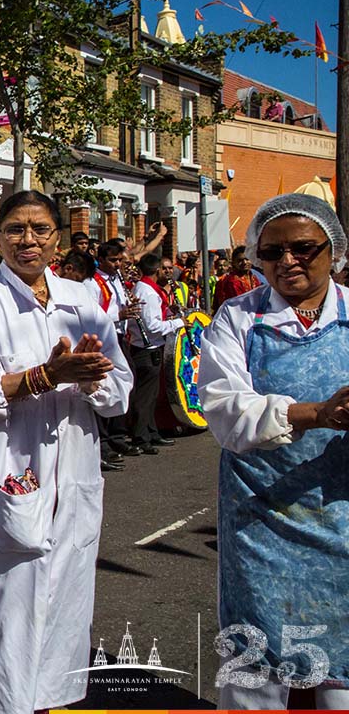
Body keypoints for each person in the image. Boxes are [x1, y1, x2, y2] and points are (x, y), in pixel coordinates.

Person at [0, 190, 132, 714]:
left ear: (57, 237)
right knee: (4, 605)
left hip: (73, 472)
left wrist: (91, 376)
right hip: (6, 467)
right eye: (16, 230)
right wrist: (47, 375)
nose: (29, 240)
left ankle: (48, 704)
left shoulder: (82, 301)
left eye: (41, 229)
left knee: (66, 600)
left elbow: (120, 393)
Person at [199, 193, 349, 710]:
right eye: (271, 252)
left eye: (303, 248)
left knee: (341, 661)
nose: (287, 261)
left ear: (335, 250)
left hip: (342, 513)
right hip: (260, 514)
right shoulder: (239, 318)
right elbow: (223, 409)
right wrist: (317, 414)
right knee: (256, 661)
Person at [83, 240, 143, 469]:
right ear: (101, 259)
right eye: (112, 260)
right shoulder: (92, 282)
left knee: (126, 382)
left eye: (120, 260)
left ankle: (118, 435)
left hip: (119, 336)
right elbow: (93, 316)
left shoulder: (116, 279)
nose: (117, 265)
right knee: (103, 386)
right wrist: (120, 313)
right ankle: (105, 441)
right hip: (103, 337)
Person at [127, 253, 185, 454]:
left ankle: (151, 432)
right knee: (145, 396)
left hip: (150, 346)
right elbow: (152, 326)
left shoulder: (148, 289)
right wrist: (178, 322)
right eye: (163, 268)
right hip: (147, 348)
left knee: (151, 396)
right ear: (156, 270)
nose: (167, 273)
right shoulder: (148, 292)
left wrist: (170, 313)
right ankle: (141, 437)